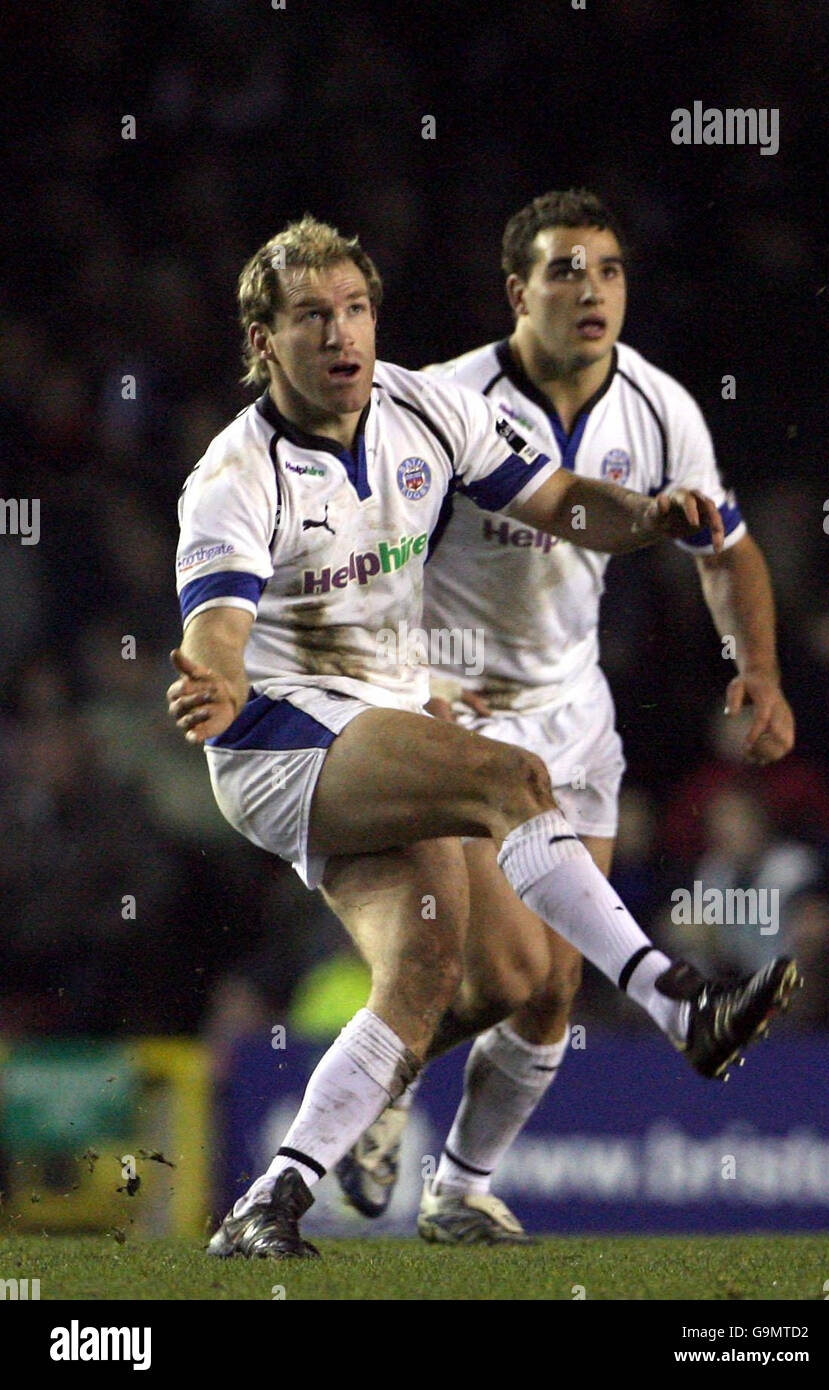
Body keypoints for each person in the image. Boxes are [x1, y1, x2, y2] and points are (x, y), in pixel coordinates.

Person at [167, 215, 797, 1260]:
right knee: (513, 778)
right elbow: (217, 625)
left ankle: (267, 1202)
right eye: (311, 317)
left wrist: (649, 520)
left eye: (356, 309)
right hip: (279, 744)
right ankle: (677, 999)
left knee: (482, 977)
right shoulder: (233, 477)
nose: (341, 335)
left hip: (389, 728)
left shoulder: (423, 407)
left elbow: (560, 504)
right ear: (263, 342)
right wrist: (213, 673)